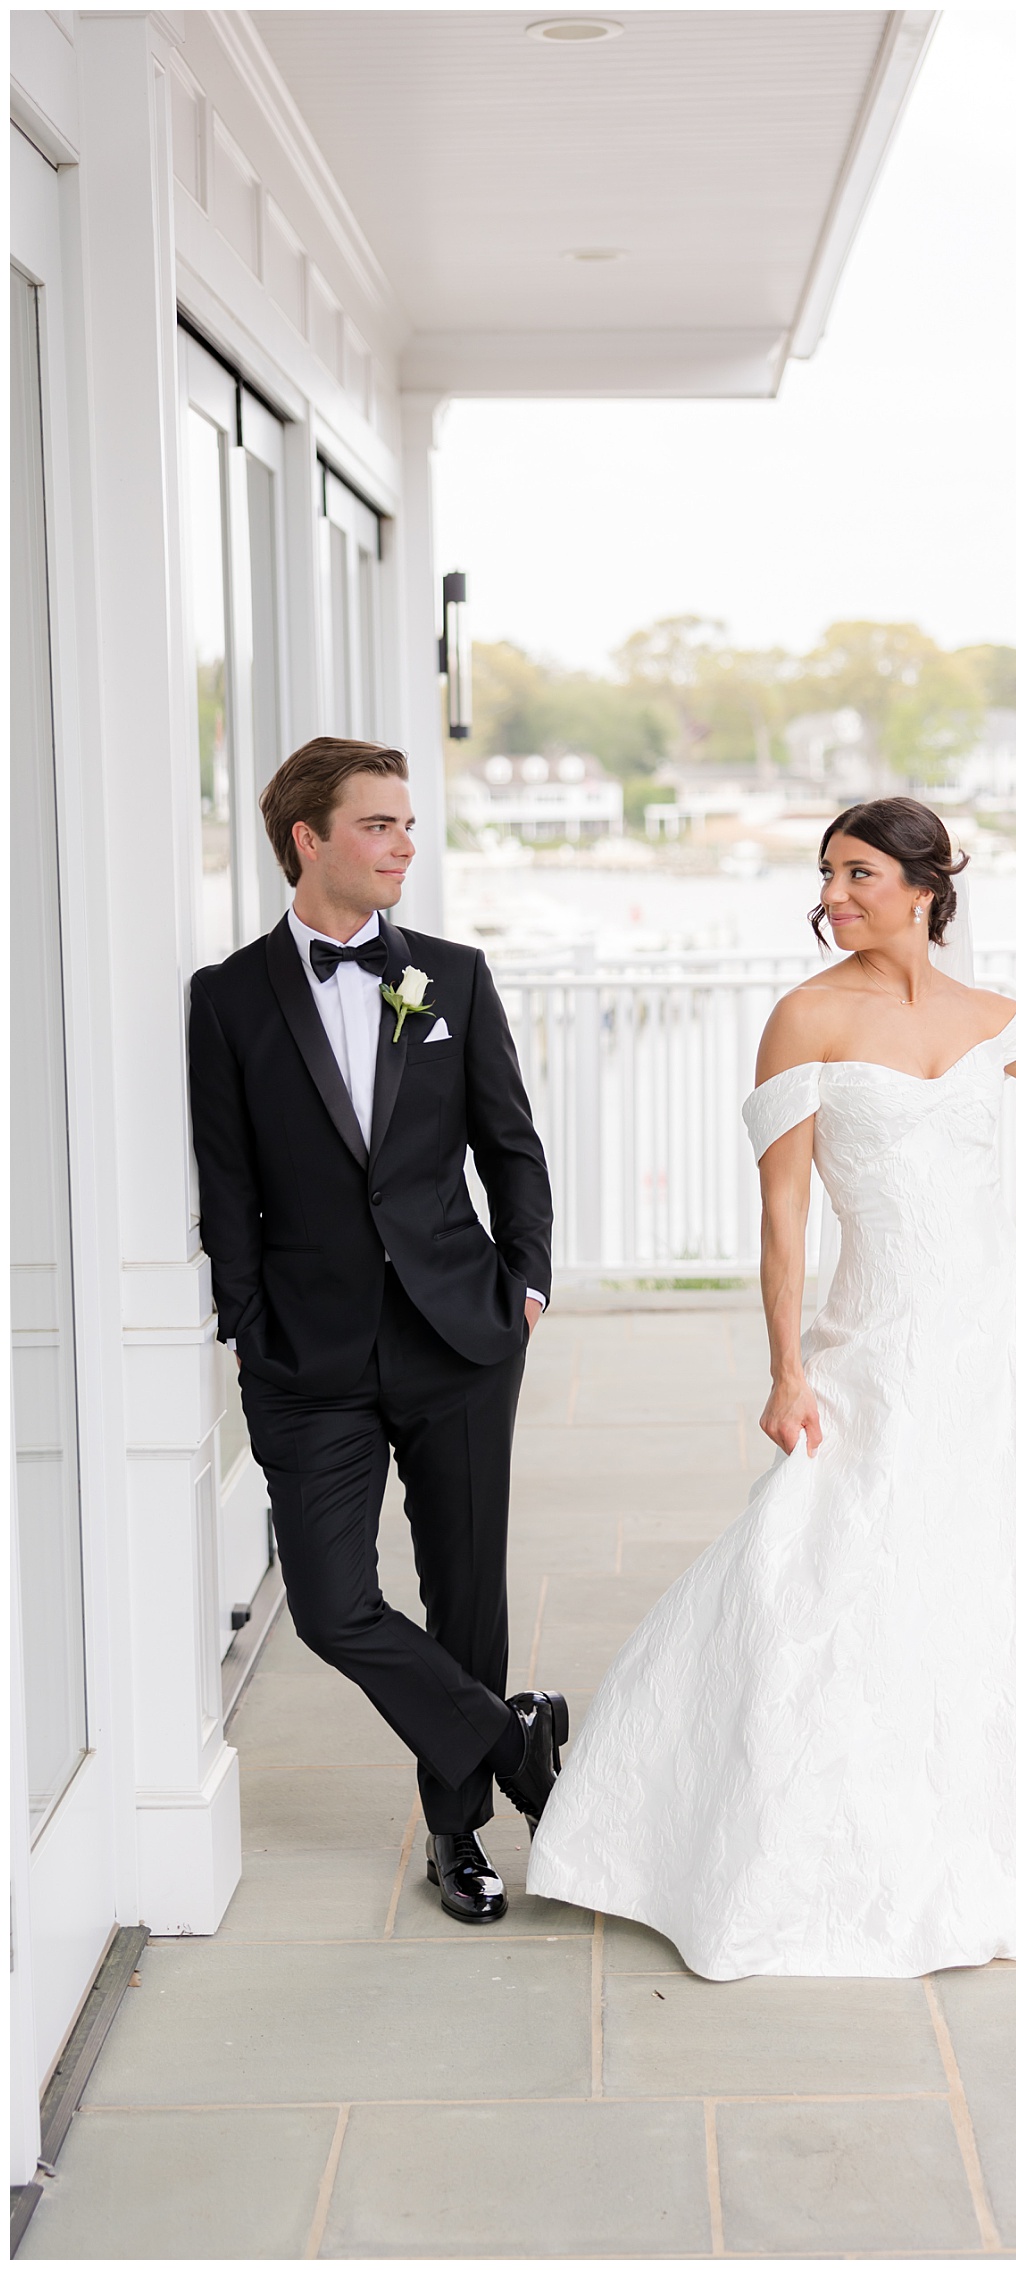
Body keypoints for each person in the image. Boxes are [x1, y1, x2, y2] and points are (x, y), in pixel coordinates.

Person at [528, 796, 1016, 1978]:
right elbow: (783, 1213)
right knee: (819, 1562)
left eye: (857, 873)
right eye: (827, 873)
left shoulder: (990, 1016)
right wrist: (785, 1366)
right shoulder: (804, 1016)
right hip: (878, 1337)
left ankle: (986, 1823)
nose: (832, 895)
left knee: (995, 1565)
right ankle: (758, 1826)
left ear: (923, 887)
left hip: (996, 1340)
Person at [188, 736, 564, 1928]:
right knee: (331, 1600)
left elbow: (510, 1145)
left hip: (460, 1335)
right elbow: (226, 1183)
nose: (404, 843)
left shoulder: (452, 975)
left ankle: (457, 1833)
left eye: (406, 823)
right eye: (378, 824)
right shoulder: (226, 997)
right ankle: (511, 1740)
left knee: (465, 1594)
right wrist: (248, 1325)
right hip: (306, 1357)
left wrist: (525, 1284)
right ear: (309, 839)